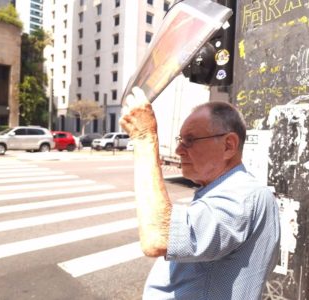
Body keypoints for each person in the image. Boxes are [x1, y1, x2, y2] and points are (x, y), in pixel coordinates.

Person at [120, 87, 280, 300]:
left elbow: (158, 238)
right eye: (180, 139)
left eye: (190, 140)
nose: (178, 150)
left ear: (228, 146)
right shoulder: (237, 190)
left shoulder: (241, 195)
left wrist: (144, 138)